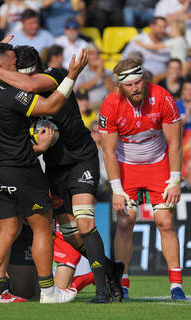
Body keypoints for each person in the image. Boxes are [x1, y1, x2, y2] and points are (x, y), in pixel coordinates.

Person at [0, 44, 124, 304]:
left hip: (80, 158)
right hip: (54, 163)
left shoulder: (54, 75)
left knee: (84, 224)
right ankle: (110, 269)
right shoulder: (13, 95)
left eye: (21, 74)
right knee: (70, 234)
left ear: (33, 69)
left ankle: (104, 290)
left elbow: (32, 85)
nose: (18, 82)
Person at [98, 57, 186, 300]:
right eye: (130, 85)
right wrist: (116, 188)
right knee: (126, 222)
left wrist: (175, 179)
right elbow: (108, 151)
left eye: (139, 82)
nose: (135, 88)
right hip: (127, 167)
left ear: (144, 80)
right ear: (120, 86)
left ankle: (176, 285)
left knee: (165, 221)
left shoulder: (163, 97)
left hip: (159, 164)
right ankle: (122, 283)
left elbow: (175, 142)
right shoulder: (110, 104)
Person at [75, 43, 116, 110]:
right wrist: (98, 76)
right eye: (91, 54)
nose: (95, 56)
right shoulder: (81, 72)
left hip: (107, 106)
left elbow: (113, 90)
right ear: (86, 56)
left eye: (97, 53)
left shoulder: (107, 72)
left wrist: (102, 72)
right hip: (89, 107)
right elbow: (79, 88)